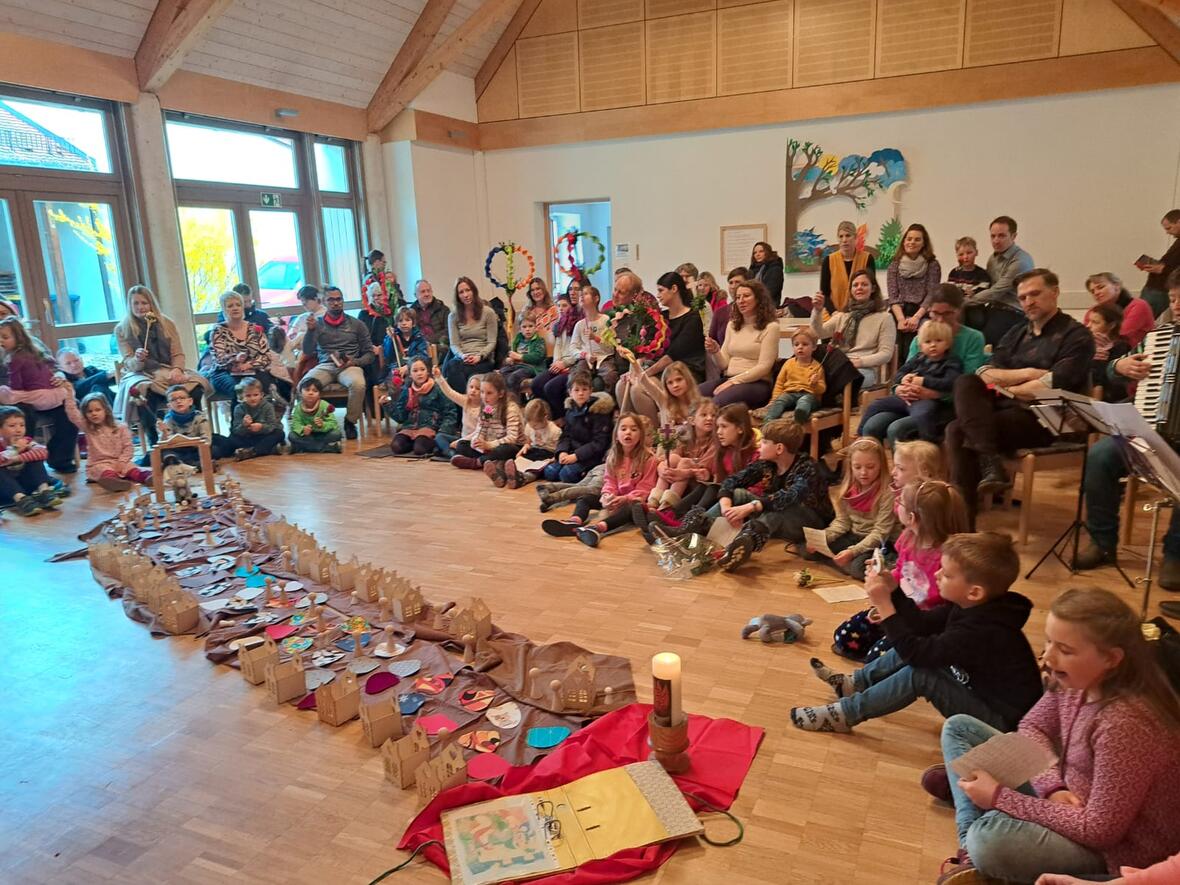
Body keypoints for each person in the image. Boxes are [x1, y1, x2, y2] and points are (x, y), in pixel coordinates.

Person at [936, 588, 1180, 884]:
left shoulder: (1125, 723)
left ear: (1111, 659)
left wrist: (1001, 797)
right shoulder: (1073, 680)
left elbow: (1101, 831)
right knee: (959, 728)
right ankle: (971, 847)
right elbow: (1032, 728)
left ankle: (972, 821)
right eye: (1050, 641)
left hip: (1113, 851)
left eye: (1065, 650)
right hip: (1067, 797)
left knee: (988, 838)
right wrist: (1051, 787)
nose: (1048, 657)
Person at [792, 531, 1042, 734]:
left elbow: (916, 655)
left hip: (1001, 725)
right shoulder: (974, 606)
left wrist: (885, 607)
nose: (937, 574)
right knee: (922, 648)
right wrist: (894, 591)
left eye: (946, 573)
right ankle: (855, 684)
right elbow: (922, 625)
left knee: (922, 674)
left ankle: (846, 714)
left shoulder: (985, 630)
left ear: (974, 592)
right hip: (981, 694)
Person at [946, 268, 1094, 527]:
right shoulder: (1017, 333)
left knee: (958, 430)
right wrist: (1026, 373)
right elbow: (984, 372)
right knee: (965, 381)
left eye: (1035, 294)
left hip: (1048, 419)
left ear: (1055, 292)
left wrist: (1006, 385)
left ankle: (963, 526)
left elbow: (1049, 384)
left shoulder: (1077, 335)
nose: (1028, 302)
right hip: (1005, 411)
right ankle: (988, 462)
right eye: (1023, 297)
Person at [1077, 270, 1180, 581]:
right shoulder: (1161, 336)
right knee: (1099, 458)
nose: (1176, 305)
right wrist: (1118, 366)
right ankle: (1102, 543)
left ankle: (1175, 554)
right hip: (1151, 430)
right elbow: (1114, 370)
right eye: (1174, 299)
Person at [832, 480, 970, 661]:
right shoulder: (908, 537)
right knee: (844, 636)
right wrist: (885, 578)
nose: (896, 503)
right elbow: (901, 570)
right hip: (899, 608)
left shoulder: (946, 558)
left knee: (876, 658)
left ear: (912, 518)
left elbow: (934, 606)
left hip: (921, 622)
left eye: (900, 502)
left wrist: (891, 610)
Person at [677, 419, 834, 571]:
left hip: (810, 523)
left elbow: (788, 496)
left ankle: (741, 547)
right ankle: (692, 530)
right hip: (776, 513)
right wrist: (726, 506)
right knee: (739, 494)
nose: (759, 444)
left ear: (779, 448)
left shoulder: (808, 468)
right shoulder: (767, 463)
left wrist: (750, 507)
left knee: (776, 512)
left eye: (765, 441)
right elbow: (732, 481)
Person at [861, 285, 986, 445]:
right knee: (872, 427)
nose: (940, 319)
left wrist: (933, 393)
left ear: (959, 310)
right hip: (912, 399)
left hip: (948, 406)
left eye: (947, 313)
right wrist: (899, 388)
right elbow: (904, 372)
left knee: (897, 430)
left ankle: (920, 466)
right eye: (935, 313)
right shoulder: (920, 338)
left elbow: (966, 385)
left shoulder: (973, 338)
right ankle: (874, 466)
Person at [542, 413, 658, 548]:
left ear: (641, 435)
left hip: (633, 503)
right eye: (624, 428)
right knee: (585, 498)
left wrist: (625, 498)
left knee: (631, 508)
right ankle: (575, 521)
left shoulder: (649, 459)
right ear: (616, 434)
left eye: (634, 429)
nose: (628, 433)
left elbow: (646, 488)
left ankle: (598, 528)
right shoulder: (613, 457)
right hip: (615, 498)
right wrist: (606, 495)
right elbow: (610, 481)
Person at [113, 285, 209, 442]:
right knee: (143, 393)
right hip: (140, 373)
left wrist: (177, 369)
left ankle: (195, 434)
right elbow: (128, 362)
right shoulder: (122, 329)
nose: (140, 307)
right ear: (130, 306)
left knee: (196, 388)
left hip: (167, 369)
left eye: (144, 303)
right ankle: (156, 441)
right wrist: (138, 359)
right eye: (135, 303)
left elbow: (177, 353)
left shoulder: (167, 323)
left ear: (151, 304)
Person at [805, 437, 897, 582]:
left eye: (870, 467)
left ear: (881, 465)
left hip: (878, 543)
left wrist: (853, 551)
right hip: (853, 536)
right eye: (857, 467)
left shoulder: (887, 493)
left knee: (858, 568)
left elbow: (881, 532)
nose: (863, 473)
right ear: (850, 466)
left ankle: (885, 562)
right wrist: (823, 538)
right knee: (806, 549)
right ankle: (843, 561)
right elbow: (842, 522)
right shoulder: (848, 488)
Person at [857, 319, 963, 443]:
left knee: (922, 415)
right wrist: (903, 378)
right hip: (905, 398)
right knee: (876, 404)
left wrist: (923, 381)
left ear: (948, 343)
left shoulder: (951, 361)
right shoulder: (918, 358)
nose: (933, 345)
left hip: (927, 400)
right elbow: (899, 373)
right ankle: (860, 436)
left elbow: (950, 382)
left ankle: (929, 444)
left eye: (938, 341)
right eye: (928, 342)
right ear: (921, 345)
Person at [0, 317, 77, 474]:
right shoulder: (8, 353)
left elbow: (53, 366)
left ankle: (59, 458)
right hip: (16, 401)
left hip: (42, 394)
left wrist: (59, 376)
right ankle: (24, 461)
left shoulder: (33, 345)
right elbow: (15, 386)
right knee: (21, 414)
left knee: (70, 410)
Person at [302, 285, 375, 440]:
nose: (336, 303)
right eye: (331, 300)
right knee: (305, 384)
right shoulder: (318, 324)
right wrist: (310, 331)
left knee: (358, 384)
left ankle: (350, 422)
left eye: (339, 299)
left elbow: (370, 354)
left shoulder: (357, 324)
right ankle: (311, 424)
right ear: (324, 302)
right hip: (326, 365)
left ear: (343, 301)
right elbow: (308, 351)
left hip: (349, 365)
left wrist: (354, 361)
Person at [532, 286, 609, 420]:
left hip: (574, 362)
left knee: (551, 387)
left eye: (564, 305)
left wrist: (567, 362)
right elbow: (561, 345)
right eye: (559, 305)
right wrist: (557, 361)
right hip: (567, 361)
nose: (561, 308)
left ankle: (565, 418)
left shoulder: (597, 320)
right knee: (537, 383)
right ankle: (550, 417)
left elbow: (605, 346)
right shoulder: (566, 322)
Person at [810, 269, 897, 386]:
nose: (859, 288)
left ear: (873, 289)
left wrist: (859, 362)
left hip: (865, 368)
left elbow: (885, 354)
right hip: (839, 364)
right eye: (855, 285)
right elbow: (817, 334)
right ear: (851, 290)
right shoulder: (842, 316)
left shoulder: (885, 318)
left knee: (846, 379)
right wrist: (817, 310)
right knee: (803, 373)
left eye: (864, 284)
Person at [701, 279, 780, 407]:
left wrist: (734, 382)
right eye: (738, 297)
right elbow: (723, 364)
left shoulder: (771, 327)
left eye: (746, 296)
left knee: (718, 402)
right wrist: (715, 351)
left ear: (759, 299)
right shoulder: (732, 325)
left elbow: (764, 367)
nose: (741, 300)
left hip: (757, 383)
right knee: (693, 395)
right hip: (731, 378)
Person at [964, 215, 1035, 346]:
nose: (996, 240)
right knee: (962, 328)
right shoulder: (993, 258)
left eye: (1001, 236)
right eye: (993, 236)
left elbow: (997, 291)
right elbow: (987, 286)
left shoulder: (1020, 261)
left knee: (980, 342)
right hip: (994, 307)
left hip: (1013, 311)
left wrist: (965, 301)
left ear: (1013, 236)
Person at [208, 289, 284, 404]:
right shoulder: (218, 330)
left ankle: (264, 420)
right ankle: (240, 421)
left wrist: (249, 364)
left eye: (238, 305)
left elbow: (266, 356)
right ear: (224, 309)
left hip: (253, 369)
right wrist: (236, 359)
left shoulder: (255, 329)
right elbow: (219, 358)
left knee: (262, 385)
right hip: (225, 371)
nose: (235, 308)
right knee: (239, 390)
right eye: (230, 306)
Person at [645, 398, 718, 516]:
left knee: (685, 462)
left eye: (713, 415)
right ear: (692, 420)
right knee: (672, 459)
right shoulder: (684, 438)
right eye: (704, 415)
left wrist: (685, 472)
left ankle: (667, 506)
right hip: (678, 481)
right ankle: (653, 502)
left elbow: (704, 470)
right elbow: (669, 458)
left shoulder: (715, 442)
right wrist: (662, 468)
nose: (709, 418)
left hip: (700, 485)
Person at [541, 371, 614, 483]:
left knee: (567, 475)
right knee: (550, 472)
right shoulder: (570, 410)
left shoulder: (599, 412)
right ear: (570, 392)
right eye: (576, 390)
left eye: (584, 389)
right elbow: (566, 435)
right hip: (572, 452)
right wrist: (562, 452)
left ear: (591, 391)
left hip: (590, 456)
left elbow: (600, 443)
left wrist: (577, 456)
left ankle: (585, 474)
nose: (581, 393)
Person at [69, 392, 151, 491]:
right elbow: (73, 414)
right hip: (99, 463)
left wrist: (122, 461)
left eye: (97, 410)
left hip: (120, 461)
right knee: (104, 471)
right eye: (89, 411)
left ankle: (148, 478)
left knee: (132, 469)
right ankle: (114, 483)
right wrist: (69, 393)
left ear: (106, 410)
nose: (94, 413)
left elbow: (128, 447)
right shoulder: (88, 428)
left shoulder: (121, 427)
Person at [449, 371, 524, 473]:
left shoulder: (510, 409)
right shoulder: (487, 408)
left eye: (489, 393)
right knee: (462, 444)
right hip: (491, 445)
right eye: (482, 392)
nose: (484, 397)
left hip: (512, 446)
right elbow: (481, 429)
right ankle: (491, 461)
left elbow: (512, 438)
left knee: (504, 450)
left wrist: (489, 445)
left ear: (501, 394)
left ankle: (477, 462)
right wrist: (477, 440)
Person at [887, 222, 942, 358]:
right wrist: (901, 319)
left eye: (917, 239)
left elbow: (931, 295)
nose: (912, 242)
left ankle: (913, 372)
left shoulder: (932, 265)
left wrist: (916, 317)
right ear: (904, 241)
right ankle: (896, 375)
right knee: (895, 340)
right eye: (909, 238)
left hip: (922, 311)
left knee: (916, 342)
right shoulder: (894, 264)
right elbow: (893, 296)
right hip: (899, 310)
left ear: (924, 243)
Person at [388, 356, 458, 458]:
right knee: (396, 447)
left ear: (428, 371)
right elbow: (400, 417)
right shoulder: (407, 391)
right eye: (415, 371)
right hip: (410, 428)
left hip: (430, 428)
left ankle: (431, 444)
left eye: (422, 370)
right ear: (410, 375)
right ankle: (415, 442)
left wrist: (443, 432)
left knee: (420, 449)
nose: (419, 373)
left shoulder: (437, 388)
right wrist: (387, 405)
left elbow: (450, 411)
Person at [0, 406, 63, 515]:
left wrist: (17, 457)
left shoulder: (26, 441)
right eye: (12, 426)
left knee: (35, 458)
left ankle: (45, 492)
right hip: (7, 489)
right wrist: (15, 449)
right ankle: (22, 500)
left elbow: (43, 452)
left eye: (22, 425)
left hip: (26, 484)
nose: (18, 429)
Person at [619, 360, 701, 440]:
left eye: (679, 380)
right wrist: (634, 362)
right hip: (667, 450)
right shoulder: (663, 400)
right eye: (670, 383)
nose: (675, 385)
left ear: (687, 380)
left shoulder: (699, 404)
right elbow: (645, 380)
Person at [444, 276, 499, 393]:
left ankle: (469, 406)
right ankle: (463, 407)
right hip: (462, 357)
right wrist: (462, 355)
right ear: (457, 296)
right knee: (452, 368)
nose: (465, 295)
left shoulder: (488, 312)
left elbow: (492, 342)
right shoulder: (453, 316)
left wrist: (480, 356)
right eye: (461, 292)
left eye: (468, 290)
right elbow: (454, 344)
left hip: (482, 358)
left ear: (474, 291)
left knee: (469, 373)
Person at [211, 376, 285, 461]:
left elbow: (272, 426)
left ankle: (252, 451)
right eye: (248, 395)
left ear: (261, 395)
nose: (252, 398)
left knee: (279, 433)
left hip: (262, 436)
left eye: (255, 395)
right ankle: (264, 450)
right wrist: (244, 425)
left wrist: (261, 427)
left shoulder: (268, 406)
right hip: (246, 437)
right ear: (242, 396)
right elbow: (235, 430)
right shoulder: (239, 408)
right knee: (231, 439)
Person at [765, 327, 826, 423]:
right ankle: (769, 420)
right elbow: (779, 383)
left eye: (805, 344)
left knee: (804, 401)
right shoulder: (788, 363)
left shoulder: (817, 367)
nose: (800, 347)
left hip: (809, 395)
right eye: (796, 344)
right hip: (790, 393)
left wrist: (815, 384)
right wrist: (774, 400)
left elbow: (822, 389)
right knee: (781, 400)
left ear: (814, 347)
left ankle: (800, 417)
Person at [1082, 272, 1152, 349]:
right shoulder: (1092, 311)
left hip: (1138, 352)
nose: (1096, 293)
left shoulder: (1138, 305)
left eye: (1100, 287)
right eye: (1092, 291)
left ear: (1117, 286)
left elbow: (1119, 335)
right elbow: (1084, 336)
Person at [820, 221, 876, 314]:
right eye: (841, 236)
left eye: (848, 235)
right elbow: (824, 293)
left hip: (861, 313)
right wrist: (834, 313)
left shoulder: (867, 258)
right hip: (833, 314)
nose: (844, 240)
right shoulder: (829, 260)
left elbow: (871, 290)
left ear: (856, 238)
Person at [505, 398, 562, 488]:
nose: (533, 427)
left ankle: (523, 478)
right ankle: (506, 476)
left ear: (545, 418)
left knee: (535, 469)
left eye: (535, 425)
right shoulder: (529, 426)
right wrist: (525, 447)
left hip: (548, 453)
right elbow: (528, 442)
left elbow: (559, 448)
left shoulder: (554, 430)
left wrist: (554, 459)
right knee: (519, 462)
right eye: (530, 425)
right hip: (535, 450)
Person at [151, 385, 212, 469]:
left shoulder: (199, 417)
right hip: (178, 449)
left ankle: (182, 464)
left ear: (190, 401)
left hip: (196, 448)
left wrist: (190, 442)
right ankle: (194, 465)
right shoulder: (168, 420)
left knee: (214, 449)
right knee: (161, 453)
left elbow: (207, 440)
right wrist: (163, 432)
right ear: (169, 406)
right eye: (173, 400)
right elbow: (163, 444)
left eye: (182, 398)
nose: (178, 401)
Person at [1135, 208, 1180, 317]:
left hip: (1161, 289)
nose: (1167, 232)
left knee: (1140, 319)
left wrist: (1162, 269)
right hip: (1156, 287)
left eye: (1169, 228)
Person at [431, 367, 482, 460]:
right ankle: (452, 454)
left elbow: (478, 432)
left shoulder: (485, 409)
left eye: (477, 388)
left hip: (475, 440)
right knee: (439, 437)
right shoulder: (465, 401)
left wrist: (460, 441)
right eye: (471, 387)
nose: (473, 390)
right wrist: (439, 377)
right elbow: (450, 393)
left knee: (461, 446)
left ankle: (450, 452)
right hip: (462, 438)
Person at [1085, 302, 1130, 402]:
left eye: (1095, 322)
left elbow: (1112, 384)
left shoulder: (1121, 348)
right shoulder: (1085, 345)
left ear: (1111, 325)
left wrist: (1098, 361)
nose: (1088, 326)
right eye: (1089, 321)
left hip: (1113, 403)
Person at [360, 250, 404, 346]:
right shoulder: (370, 280)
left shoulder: (381, 278)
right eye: (384, 262)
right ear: (376, 262)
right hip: (378, 320)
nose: (385, 265)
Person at [288, 377, 342, 454]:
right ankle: (328, 448)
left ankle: (305, 447)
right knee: (291, 435)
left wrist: (323, 425)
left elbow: (333, 423)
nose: (311, 393)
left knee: (336, 434)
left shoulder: (325, 405)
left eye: (315, 391)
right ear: (300, 392)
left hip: (322, 434)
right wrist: (303, 429)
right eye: (307, 390)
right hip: (307, 436)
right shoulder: (298, 408)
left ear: (319, 394)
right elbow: (295, 424)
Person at [500, 312, 547, 395]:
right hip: (516, 365)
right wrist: (508, 359)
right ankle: (505, 399)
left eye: (530, 326)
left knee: (513, 378)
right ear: (520, 329)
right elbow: (510, 354)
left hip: (531, 367)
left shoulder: (539, 341)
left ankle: (513, 401)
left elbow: (538, 357)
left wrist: (520, 357)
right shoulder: (517, 340)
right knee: (501, 373)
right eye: (524, 327)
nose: (527, 329)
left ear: (536, 327)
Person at [384, 306, 430, 387]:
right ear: (396, 323)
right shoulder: (393, 337)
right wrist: (390, 339)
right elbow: (388, 356)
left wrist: (408, 367)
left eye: (407, 320)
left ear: (413, 323)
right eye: (400, 321)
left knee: (410, 381)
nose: (404, 323)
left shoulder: (419, 337)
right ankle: (399, 399)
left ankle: (411, 398)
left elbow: (423, 356)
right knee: (394, 382)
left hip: (414, 369)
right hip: (396, 369)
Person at [411, 279, 451, 356]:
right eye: (423, 292)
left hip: (440, 345)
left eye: (428, 291)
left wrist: (428, 340)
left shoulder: (443, 309)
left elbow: (448, 330)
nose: (427, 294)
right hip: (420, 347)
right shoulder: (412, 312)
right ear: (415, 295)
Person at [709, 267, 747, 347]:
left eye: (737, 282)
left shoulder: (754, 312)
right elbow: (712, 341)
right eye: (730, 283)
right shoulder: (720, 313)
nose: (733, 286)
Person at [747, 241, 785, 311]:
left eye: (761, 251)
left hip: (769, 307)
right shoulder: (752, 270)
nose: (757, 254)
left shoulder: (775, 269)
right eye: (755, 253)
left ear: (767, 252)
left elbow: (771, 291)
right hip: (753, 307)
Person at [287, 285, 323, 355]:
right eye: (302, 301)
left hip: (316, 352)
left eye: (306, 300)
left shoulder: (325, 316)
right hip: (297, 351)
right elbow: (290, 336)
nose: (303, 304)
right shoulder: (301, 317)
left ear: (315, 299)